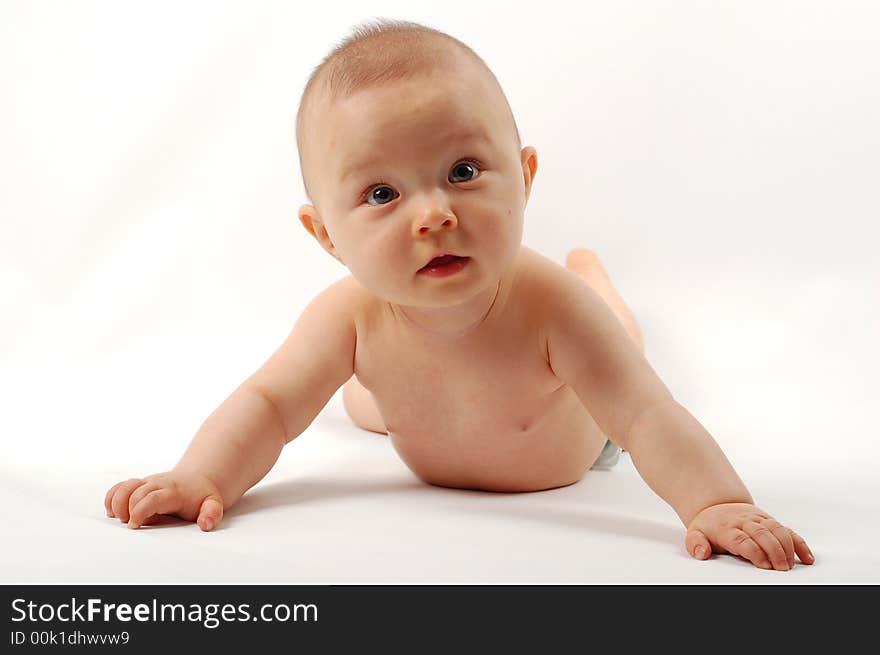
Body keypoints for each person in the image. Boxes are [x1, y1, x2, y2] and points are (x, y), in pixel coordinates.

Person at [104, 19, 814, 571]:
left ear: (526, 175)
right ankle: (377, 393)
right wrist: (203, 474)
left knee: (619, 341)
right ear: (326, 234)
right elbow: (268, 404)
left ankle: (597, 272)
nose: (434, 214)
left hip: (579, 437)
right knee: (358, 398)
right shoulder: (346, 317)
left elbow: (647, 414)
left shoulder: (553, 310)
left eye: (465, 170)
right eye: (382, 193)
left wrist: (717, 502)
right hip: (425, 407)